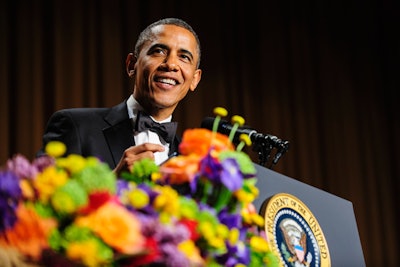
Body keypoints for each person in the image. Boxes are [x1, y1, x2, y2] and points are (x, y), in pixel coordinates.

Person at [38, 18, 202, 175]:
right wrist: (114, 180)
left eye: (184, 57)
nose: (171, 64)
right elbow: (40, 198)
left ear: (194, 79)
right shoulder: (75, 126)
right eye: (158, 51)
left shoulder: (193, 162)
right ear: (132, 65)